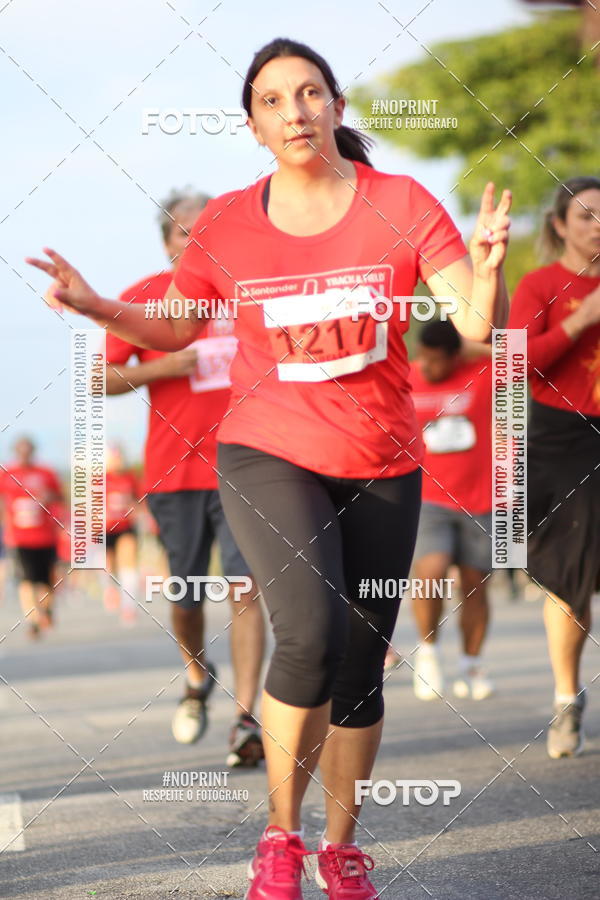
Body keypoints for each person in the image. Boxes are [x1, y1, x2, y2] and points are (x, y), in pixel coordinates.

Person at [27, 37, 511, 900]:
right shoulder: (227, 223)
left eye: (311, 93)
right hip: (267, 450)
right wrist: (97, 304)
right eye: (274, 100)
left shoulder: (401, 202)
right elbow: (178, 325)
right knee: (310, 635)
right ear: (253, 126)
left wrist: (490, 269)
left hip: (381, 459)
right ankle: (280, 839)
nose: (295, 111)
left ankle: (341, 848)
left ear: (336, 107)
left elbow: (477, 325)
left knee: (361, 661)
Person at [104, 189, 266, 767]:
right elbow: (99, 378)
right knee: (188, 595)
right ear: (167, 241)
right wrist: (164, 366)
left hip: (248, 464)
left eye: (206, 229)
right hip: (175, 472)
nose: (196, 239)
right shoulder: (144, 298)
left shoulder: (248, 290)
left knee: (246, 588)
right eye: (183, 231)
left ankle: (246, 718)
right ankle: (198, 675)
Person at [508, 176, 600, 759]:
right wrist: (580, 318)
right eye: (587, 215)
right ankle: (567, 699)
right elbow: (515, 362)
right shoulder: (540, 284)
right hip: (563, 439)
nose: (598, 226)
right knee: (570, 579)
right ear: (561, 225)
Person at [409, 320, 494, 701]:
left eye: (436, 359)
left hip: (483, 499)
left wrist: (471, 348)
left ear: (455, 356)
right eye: (422, 356)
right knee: (431, 570)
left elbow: (521, 357)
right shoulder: (408, 377)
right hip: (429, 497)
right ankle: (428, 652)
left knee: (476, 584)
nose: (427, 366)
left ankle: (471, 665)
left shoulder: (481, 372)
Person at [0, 437, 62, 638]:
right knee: (26, 580)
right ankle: (33, 620)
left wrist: (48, 498)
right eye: (21, 451)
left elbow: (60, 497)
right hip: (19, 538)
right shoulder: (6, 474)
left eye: (28, 450)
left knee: (45, 581)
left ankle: (47, 609)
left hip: (45, 537)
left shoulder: (46, 473)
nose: (24, 454)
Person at [103, 443, 141, 624]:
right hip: (105, 529)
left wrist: (135, 508)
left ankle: (128, 606)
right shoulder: (101, 479)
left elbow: (139, 500)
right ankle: (110, 588)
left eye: (119, 457)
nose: (117, 461)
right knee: (110, 565)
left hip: (126, 526)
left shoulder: (130, 477)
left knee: (128, 564)